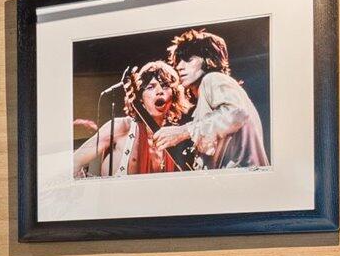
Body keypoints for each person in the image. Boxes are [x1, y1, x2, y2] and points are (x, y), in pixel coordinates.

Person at [157, 26, 266, 169]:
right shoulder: (207, 96)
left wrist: (184, 131)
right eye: (178, 61)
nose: (179, 66)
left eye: (188, 59)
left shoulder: (212, 79)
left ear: (208, 59)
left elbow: (237, 113)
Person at [73, 59, 188, 176]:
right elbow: (73, 163)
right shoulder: (121, 127)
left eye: (165, 86)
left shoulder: (176, 138)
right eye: (150, 87)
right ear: (140, 98)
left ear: (174, 95)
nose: (159, 92)